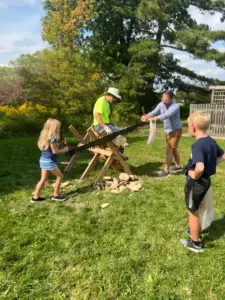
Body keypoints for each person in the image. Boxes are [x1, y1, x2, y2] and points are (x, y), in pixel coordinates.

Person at [180, 111, 225, 252]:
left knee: (192, 211)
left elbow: (200, 167)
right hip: (206, 181)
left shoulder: (197, 145)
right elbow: (223, 155)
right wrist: (211, 166)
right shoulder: (211, 141)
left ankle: (195, 243)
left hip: (197, 183)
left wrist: (193, 174)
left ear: (193, 127)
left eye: (188, 126)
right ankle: (195, 230)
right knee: (199, 206)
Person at [141, 90, 182, 177]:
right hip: (168, 130)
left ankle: (166, 170)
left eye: (166, 99)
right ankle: (178, 165)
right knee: (174, 148)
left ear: (171, 99)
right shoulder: (161, 104)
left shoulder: (175, 107)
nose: (164, 101)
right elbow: (154, 112)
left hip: (175, 130)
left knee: (169, 149)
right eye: (163, 99)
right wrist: (146, 116)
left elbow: (165, 116)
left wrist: (152, 119)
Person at [32, 118, 70, 202]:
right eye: (58, 128)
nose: (59, 129)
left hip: (43, 160)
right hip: (49, 161)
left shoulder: (44, 136)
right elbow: (54, 151)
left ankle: (35, 197)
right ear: (53, 128)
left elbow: (51, 148)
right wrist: (65, 149)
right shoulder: (52, 138)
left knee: (43, 179)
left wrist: (60, 144)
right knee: (60, 176)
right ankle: (56, 195)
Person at [93, 87, 128, 158]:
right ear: (109, 95)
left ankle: (119, 153)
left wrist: (111, 123)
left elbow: (105, 117)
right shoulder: (101, 101)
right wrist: (105, 127)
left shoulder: (107, 103)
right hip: (99, 126)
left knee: (122, 132)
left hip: (105, 124)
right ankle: (119, 154)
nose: (114, 100)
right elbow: (96, 115)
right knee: (121, 134)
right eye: (114, 98)